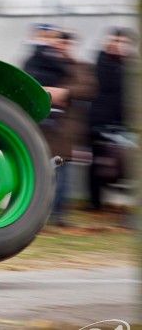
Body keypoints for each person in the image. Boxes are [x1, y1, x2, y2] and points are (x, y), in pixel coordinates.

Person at [28, 30, 97, 227]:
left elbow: (88, 88)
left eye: (66, 44)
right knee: (42, 172)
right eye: (59, 42)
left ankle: (59, 215)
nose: (61, 46)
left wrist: (65, 92)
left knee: (63, 174)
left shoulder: (80, 67)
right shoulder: (43, 64)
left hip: (67, 130)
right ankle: (40, 214)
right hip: (44, 127)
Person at [89, 27, 136, 211]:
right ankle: (96, 204)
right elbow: (104, 85)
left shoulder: (128, 65)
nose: (118, 45)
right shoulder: (102, 62)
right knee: (98, 165)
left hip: (122, 123)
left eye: (122, 42)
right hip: (100, 122)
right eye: (115, 41)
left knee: (123, 164)